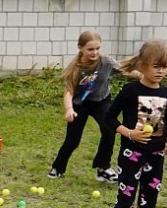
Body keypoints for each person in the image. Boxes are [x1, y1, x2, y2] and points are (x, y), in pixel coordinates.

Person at [99, 40, 167, 208]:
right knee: (125, 201)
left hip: (156, 156)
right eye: (156, 66)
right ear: (142, 66)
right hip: (132, 155)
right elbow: (109, 118)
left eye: (166, 66)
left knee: (148, 203)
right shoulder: (130, 91)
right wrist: (130, 133)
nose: (161, 71)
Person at [47, 30, 129, 182]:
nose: (95, 52)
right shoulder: (76, 68)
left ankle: (103, 168)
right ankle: (57, 167)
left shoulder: (106, 62)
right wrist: (69, 109)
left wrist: (144, 76)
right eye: (90, 49)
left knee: (109, 130)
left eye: (97, 48)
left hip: (101, 101)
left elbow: (127, 70)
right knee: (72, 140)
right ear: (81, 48)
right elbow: (69, 92)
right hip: (80, 105)